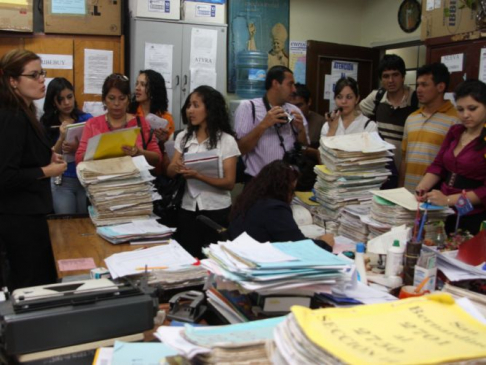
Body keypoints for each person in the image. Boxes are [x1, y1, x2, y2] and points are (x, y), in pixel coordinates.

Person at [0, 49, 66, 290]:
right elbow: (5, 175)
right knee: (31, 285)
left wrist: (48, 156)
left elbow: (25, 156)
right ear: (13, 81)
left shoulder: (27, 111)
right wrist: (47, 171)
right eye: (34, 75)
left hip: (32, 214)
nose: (42, 80)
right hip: (19, 220)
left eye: (42, 73)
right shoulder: (11, 116)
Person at [167, 86, 240, 258]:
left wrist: (199, 175)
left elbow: (229, 183)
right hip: (187, 208)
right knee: (188, 257)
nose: (190, 110)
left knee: (214, 259)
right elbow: (169, 172)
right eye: (188, 106)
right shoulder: (183, 137)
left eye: (196, 105)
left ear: (210, 109)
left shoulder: (226, 141)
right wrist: (176, 167)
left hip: (216, 210)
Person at [416, 80, 486, 235]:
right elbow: (438, 165)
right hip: (443, 211)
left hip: (473, 215)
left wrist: (448, 200)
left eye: (472, 108)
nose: (465, 115)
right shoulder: (456, 131)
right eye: (460, 109)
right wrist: (422, 188)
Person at [229, 160, 334, 251]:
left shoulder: (251, 198)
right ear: (283, 188)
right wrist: (324, 243)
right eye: (292, 190)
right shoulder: (274, 209)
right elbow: (298, 245)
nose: (293, 195)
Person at [234, 66, 308, 182]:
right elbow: (239, 149)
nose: (294, 90)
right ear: (275, 84)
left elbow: (304, 147)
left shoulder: (295, 111)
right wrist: (264, 125)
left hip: (288, 182)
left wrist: (301, 130)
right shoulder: (248, 108)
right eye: (290, 84)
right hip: (258, 182)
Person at [75, 73, 162, 166]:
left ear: (128, 99)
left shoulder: (141, 123)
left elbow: (158, 158)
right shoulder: (92, 124)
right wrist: (98, 152)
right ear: (104, 99)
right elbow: (78, 159)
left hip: (133, 178)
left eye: (122, 98)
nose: (116, 103)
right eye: (111, 98)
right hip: (101, 177)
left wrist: (139, 153)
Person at [399, 63, 459, 192]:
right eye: (418, 85)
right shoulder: (411, 118)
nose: (418, 90)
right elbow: (404, 158)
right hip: (408, 194)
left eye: (424, 85)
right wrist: (400, 189)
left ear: (440, 87)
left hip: (435, 197)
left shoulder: (456, 120)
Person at [40, 77, 92, 214]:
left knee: (84, 224)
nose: (67, 102)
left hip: (85, 179)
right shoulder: (47, 123)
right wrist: (62, 137)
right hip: (62, 181)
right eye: (61, 99)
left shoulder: (86, 119)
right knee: (66, 223)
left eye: (69, 97)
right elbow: (46, 156)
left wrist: (78, 148)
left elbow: (96, 150)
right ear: (54, 102)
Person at [359, 54, 419, 169]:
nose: (391, 80)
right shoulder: (376, 97)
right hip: (381, 168)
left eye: (395, 75)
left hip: (407, 169)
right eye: (386, 76)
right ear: (381, 79)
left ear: (403, 76)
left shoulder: (415, 100)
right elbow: (355, 113)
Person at [291, 83, 326, 147]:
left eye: (299, 105)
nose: (296, 110)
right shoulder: (286, 120)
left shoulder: (321, 123)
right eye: (292, 106)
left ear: (309, 102)